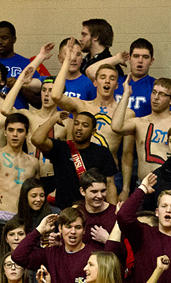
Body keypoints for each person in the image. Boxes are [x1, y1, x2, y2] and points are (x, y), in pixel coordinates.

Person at [52, 42, 133, 195]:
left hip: (108, 176)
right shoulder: (81, 106)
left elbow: (127, 154)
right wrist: (67, 61)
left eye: (112, 78)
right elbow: (56, 95)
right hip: (77, 170)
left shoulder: (127, 114)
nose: (107, 81)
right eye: (102, 77)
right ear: (95, 82)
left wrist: (126, 189)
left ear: (117, 85)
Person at [31, 110, 117, 209]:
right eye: (76, 124)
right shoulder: (61, 148)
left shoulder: (102, 152)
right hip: (64, 211)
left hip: (92, 211)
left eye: (85, 125)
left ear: (93, 131)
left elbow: (110, 185)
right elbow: (36, 139)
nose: (79, 128)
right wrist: (54, 118)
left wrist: (113, 214)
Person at [0, 110, 39, 229]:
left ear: (26, 134)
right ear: (5, 132)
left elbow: (37, 193)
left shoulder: (33, 162)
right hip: (0, 219)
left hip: (26, 219)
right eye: (11, 130)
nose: (15, 134)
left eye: (20, 131)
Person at [111, 75, 171, 182]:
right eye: (154, 92)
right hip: (142, 184)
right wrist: (126, 95)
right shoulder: (140, 122)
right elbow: (116, 126)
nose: (156, 97)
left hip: (168, 183)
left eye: (161, 94)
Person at [0, 21, 48, 104]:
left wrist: (19, 85)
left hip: (18, 115)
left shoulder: (28, 65)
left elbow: (39, 103)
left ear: (14, 39)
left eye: (4, 38)